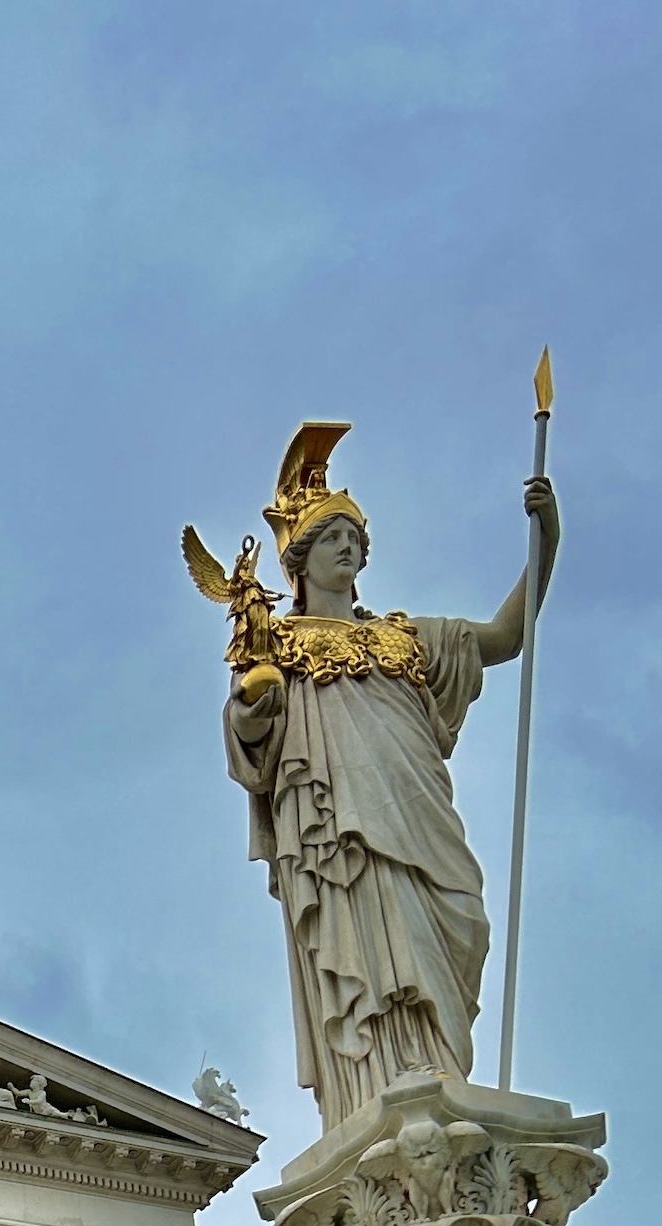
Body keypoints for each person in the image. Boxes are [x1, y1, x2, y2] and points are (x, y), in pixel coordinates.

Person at [218, 425, 558, 1128]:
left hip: (418, 813)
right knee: (366, 946)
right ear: (301, 558)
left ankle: (437, 1063)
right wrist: (257, 701)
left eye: (356, 537)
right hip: (342, 831)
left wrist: (546, 538)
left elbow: (505, 636)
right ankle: (379, 1080)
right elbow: (252, 740)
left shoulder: (408, 637)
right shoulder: (279, 646)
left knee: (463, 915)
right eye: (334, 535)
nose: (350, 545)